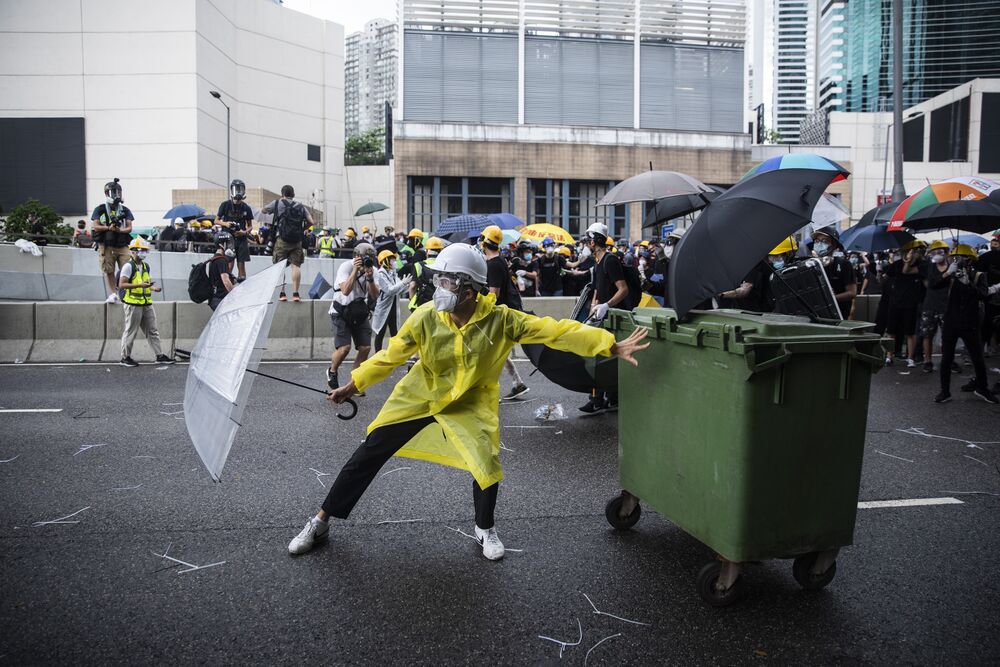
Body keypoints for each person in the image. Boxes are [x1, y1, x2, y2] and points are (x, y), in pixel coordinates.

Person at [288, 243, 651, 558]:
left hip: (472, 400)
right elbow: (392, 355)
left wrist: (609, 344)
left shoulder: (502, 320)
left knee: (485, 462)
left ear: (468, 290)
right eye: (438, 280)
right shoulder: (428, 316)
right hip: (420, 395)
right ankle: (320, 521)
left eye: (445, 282)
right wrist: (353, 384)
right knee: (370, 450)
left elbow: (554, 330)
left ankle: (485, 529)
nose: (437, 288)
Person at [930, 245, 999, 404]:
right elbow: (934, 285)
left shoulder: (979, 275)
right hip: (951, 322)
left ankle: (982, 388)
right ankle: (945, 391)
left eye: (961, 257)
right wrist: (948, 273)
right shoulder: (951, 275)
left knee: (977, 358)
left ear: (970, 260)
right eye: (954, 258)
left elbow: (982, 294)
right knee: (946, 358)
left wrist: (968, 283)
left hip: (971, 322)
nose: (957, 260)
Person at [579, 222, 630, 415]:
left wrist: (607, 305)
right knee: (599, 356)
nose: (586, 243)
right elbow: (598, 289)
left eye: (588, 240)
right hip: (601, 316)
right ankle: (600, 398)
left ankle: (603, 398)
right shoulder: (597, 262)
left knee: (603, 358)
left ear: (594, 241)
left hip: (613, 317)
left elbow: (623, 289)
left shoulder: (610, 260)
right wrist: (594, 305)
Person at [480, 225, 529, 399]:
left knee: (491, 352)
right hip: (506, 312)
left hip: (500, 315)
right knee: (497, 351)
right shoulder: (499, 260)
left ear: (485, 242)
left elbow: (494, 294)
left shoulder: (493, 264)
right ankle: (517, 382)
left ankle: (491, 392)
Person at [325, 243, 379, 391]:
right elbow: (345, 291)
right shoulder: (346, 267)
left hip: (359, 310)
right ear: (357, 257)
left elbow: (375, 295)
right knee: (344, 348)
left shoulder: (373, 271)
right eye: (364, 259)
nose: (367, 262)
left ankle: (353, 383)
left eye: (370, 259)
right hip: (340, 311)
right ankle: (332, 371)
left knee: (366, 347)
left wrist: (370, 278)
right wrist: (355, 270)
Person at [117, 237, 174, 367]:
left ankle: (159, 356)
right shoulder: (128, 266)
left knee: (152, 330)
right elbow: (122, 284)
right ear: (133, 251)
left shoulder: (145, 266)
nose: (143, 252)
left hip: (146, 303)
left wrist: (153, 288)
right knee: (131, 331)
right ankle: (125, 357)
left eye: (145, 250)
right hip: (133, 304)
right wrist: (141, 286)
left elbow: (145, 284)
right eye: (141, 250)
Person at [262, 185, 313, 302]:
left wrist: (276, 208)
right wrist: (303, 229)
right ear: (293, 194)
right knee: (296, 265)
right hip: (297, 241)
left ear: (282, 194)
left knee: (280, 266)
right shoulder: (300, 206)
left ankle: (282, 293)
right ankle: (295, 293)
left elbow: (263, 210)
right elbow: (311, 221)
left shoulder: (278, 203)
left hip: (282, 239)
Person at [884, 239, 927, 368]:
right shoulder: (896, 264)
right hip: (895, 302)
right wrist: (880, 273)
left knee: (910, 332)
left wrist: (909, 261)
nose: (914, 253)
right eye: (912, 251)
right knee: (891, 331)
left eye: (917, 251)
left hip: (911, 303)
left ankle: (910, 358)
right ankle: (889, 356)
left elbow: (905, 270)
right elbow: (886, 277)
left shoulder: (921, 265)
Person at [91, 178, 134, 303]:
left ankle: (124, 292)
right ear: (106, 193)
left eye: (118, 192)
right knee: (109, 269)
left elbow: (130, 227)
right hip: (106, 244)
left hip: (122, 244)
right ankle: (113, 294)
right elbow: (96, 226)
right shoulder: (100, 209)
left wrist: (120, 230)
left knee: (127, 267)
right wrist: (108, 228)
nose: (116, 195)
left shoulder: (125, 210)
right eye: (113, 192)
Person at [811, 227, 857, 315]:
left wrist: (830, 298)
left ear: (834, 245)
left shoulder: (844, 264)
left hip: (839, 313)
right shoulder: (812, 264)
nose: (820, 243)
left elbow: (852, 293)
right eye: (817, 241)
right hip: (817, 314)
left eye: (825, 241)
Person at [215, 179, 254, 282]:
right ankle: (227, 284)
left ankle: (242, 282)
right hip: (228, 238)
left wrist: (244, 232)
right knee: (229, 263)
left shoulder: (246, 207)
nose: (238, 192)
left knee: (241, 264)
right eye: (236, 189)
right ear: (231, 190)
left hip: (241, 239)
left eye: (240, 190)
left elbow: (250, 226)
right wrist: (226, 223)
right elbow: (216, 220)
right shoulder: (225, 205)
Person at [372, 249, 411, 350]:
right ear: (385, 261)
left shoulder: (393, 273)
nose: (394, 262)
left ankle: (394, 356)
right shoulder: (380, 274)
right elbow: (390, 290)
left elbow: (399, 290)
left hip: (393, 308)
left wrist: (407, 284)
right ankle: (378, 357)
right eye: (392, 260)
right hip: (384, 309)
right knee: (380, 333)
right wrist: (403, 283)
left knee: (395, 334)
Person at [975, 231, 1000, 356]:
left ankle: (988, 346)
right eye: (993, 243)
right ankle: (987, 346)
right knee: (987, 321)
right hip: (989, 294)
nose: (995, 245)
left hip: (989, 293)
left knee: (988, 321)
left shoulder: (984, 257)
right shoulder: (985, 257)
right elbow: (978, 274)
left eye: (996, 243)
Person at [208, 232, 237, 311]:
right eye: (228, 243)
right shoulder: (221, 260)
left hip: (215, 298)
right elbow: (226, 281)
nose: (230, 246)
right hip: (220, 299)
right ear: (221, 245)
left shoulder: (214, 258)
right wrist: (235, 295)